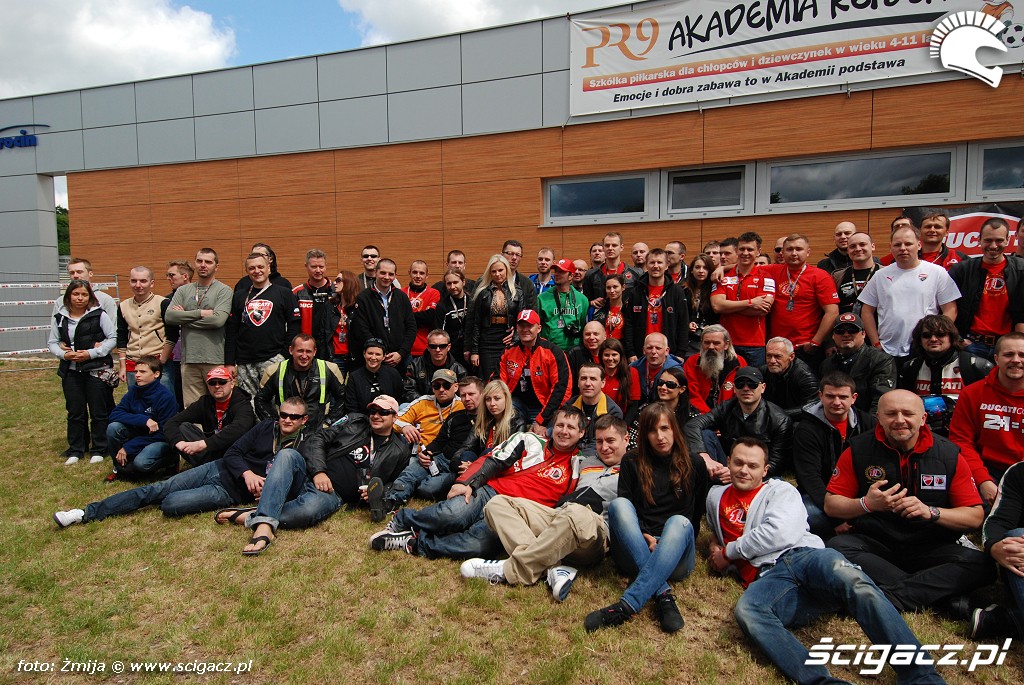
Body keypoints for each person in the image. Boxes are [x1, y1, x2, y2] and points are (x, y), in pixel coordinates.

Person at [706, 438, 946, 685]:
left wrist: (728, 553)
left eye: (753, 465)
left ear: (765, 470)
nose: (744, 470)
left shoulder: (781, 491)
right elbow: (718, 531)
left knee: (856, 584)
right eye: (738, 463)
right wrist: (716, 546)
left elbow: (778, 533)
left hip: (806, 556)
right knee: (748, 610)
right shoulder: (715, 497)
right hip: (770, 577)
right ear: (728, 462)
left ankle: (921, 675)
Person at [824, 390, 994, 614]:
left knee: (982, 564)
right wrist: (867, 504)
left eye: (908, 413)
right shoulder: (858, 449)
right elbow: (831, 505)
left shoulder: (949, 455)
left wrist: (932, 512)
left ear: (923, 418)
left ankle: (890, 597)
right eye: (891, 414)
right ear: (879, 417)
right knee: (835, 547)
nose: (899, 420)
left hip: (930, 546)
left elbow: (975, 516)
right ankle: (940, 598)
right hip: (877, 545)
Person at [54, 397, 312, 528]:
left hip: (226, 493)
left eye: (294, 417)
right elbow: (233, 452)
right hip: (217, 468)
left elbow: (295, 485)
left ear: (304, 420)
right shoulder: (265, 427)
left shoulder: (304, 446)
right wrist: (247, 474)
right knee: (156, 489)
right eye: (283, 414)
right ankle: (85, 513)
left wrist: (267, 490)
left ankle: (163, 497)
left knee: (171, 505)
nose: (287, 420)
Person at [368, 406, 586, 560]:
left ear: (582, 433)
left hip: (518, 514)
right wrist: (466, 482)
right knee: (451, 515)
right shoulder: (529, 440)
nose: (564, 431)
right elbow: (492, 460)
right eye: (560, 425)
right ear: (552, 427)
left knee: (478, 545)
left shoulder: (580, 465)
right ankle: (403, 519)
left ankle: (413, 542)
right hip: (491, 492)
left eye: (571, 427)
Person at [463, 414, 626, 600]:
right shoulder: (586, 462)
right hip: (560, 518)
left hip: (593, 533)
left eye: (610, 441)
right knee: (497, 504)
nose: (604, 447)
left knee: (577, 512)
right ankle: (553, 569)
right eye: (599, 441)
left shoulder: (634, 470)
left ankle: (511, 569)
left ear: (626, 439)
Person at [583, 403, 709, 633]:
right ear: (644, 435)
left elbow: (694, 515)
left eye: (665, 428)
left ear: (675, 429)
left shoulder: (695, 464)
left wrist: (666, 544)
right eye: (652, 430)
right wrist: (644, 535)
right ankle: (663, 593)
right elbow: (627, 510)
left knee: (679, 522)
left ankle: (627, 605)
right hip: (636, 547)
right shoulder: (631, 462)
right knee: (619, 505)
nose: (660, 436)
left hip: (676, 555)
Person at [792, 372, 876, 539]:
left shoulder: (868, 423)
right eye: (830, 396)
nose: (836, 402)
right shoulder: (806, 430)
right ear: (820, 396)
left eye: (843, 397)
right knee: (806, 514)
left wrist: (856, 509)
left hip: (859, 495)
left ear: (854, 398)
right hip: (822, 497)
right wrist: (837, 518)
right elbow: (809, 477)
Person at [859, 225, 960, 362]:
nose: (903, 248)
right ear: (891, 247)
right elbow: (866, 311)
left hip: (924, 350)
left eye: (908, 244)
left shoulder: (937, 272)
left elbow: (951, 309)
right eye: (897, 244)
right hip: (887, 350)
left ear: (919, 245)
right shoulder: (880, 275)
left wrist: (934, 337)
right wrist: (876, 343)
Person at [304, 395, 411, 523]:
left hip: (330, 493)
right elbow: (318, 438)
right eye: (373, 411)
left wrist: (378, 492)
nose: (376, 416)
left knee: (304, 512)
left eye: (383, 412)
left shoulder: (400, 450)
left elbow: (394, 482)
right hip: (310, 474)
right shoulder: (354, 421)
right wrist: (319, 471)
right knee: (287, 456)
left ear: (394, 417)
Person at [949, 332, 1024, 508]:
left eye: (1022, 355)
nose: (1016, 360)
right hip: (989, 471)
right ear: (996, 359)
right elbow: (961, 441)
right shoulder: (972, 393)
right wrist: (983, 481)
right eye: (1008, 354)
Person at [385, 377, 481, 511]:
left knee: (426, 488)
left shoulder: (488, 419)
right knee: (411, 472)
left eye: (471, 394)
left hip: (462, 465)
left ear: (482, 394)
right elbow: (439, 441)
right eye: (464, 395)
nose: (467, 398)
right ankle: (390, 500)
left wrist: (473, 465)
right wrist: (426, 453)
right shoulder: (455, 416)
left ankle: (413, 487)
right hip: (442, 458)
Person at [48, 279, 116, 465]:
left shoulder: (99, 315)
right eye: (76, 294)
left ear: (90, 297)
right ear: (69, 296)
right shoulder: (60, 317)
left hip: (96, 370)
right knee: (75, 412)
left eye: (84, 294)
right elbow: (52, 342)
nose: (80, 298)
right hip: (71, 372)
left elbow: (112, 338)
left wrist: (91, 353)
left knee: (98, 411)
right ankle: (76, 449)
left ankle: (100, 448)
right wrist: (64, 354)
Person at [685, 366, 792, 479]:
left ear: (763, 387)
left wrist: (738, 474)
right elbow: (693, 425)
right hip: (727, 467)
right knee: (706, 434)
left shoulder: (779, 419)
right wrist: (704, 456)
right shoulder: (725, 408)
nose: (746, 388)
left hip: (759, 473)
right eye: (740, 384)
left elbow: (776, 464)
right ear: (734, 388)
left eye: (752, 384)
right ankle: (712, 478)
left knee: (777, 481)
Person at [897, 314, 993, 438]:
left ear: (951, 337)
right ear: (919, 340)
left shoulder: (976, 365)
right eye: (926, 335)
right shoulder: (911, 367)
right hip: (923, 434)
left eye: (940, 334)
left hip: (966, 433)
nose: (933, 339)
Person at [224, 252, 301, 397]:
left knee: (276, 400)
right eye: (252, 268)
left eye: (260, 267)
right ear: (247, 271)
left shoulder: (284, 293)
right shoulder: (239, 296)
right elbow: (232, 330)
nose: (257, 271)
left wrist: (284, 354)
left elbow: (294, 326)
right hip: (245, 362)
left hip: (273, 358)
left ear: (268, 268)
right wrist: (229, 362)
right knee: (249, 402)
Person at [164, 248, 234, 407]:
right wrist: (200, 313)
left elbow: (218, 320)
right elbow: (169, 317)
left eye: (208, 262)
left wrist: (184, 318)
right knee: (192, 407)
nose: (203, 265)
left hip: (215, 359)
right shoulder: (183, 290)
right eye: (199, 261)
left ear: (216, 266)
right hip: (189, 360)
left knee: (219, 405)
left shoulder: (224, 290)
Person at [949, 218, 1024, 361]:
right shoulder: (962, 270)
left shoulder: (1021, 269)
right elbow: (946, 308)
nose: (993, 246)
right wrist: (958, 339)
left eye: (999, 240)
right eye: (988, 240)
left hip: (1008, 348)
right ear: (979, 240)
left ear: (1008, 240)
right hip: (971, 345)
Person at [761, 234, 839, 369]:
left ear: (808, 252)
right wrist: (723, 268)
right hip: (776, 347)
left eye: (799, 249)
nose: (794, 253)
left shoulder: (820, 276)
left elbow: (832, 312)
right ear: (782, 252)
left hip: (806, 347)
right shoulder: (772, 271)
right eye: (789, 249)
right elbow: (745, 268)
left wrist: (816, 342)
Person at [164, 366, 256, 466]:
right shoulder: (204, 402)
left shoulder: (242, 404)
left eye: (222, 382)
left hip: (237, 453)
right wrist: (179, 444)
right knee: (183, 427)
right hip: (212, 451)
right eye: (212, 383)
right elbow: (171, 422)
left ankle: (211, 467)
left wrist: (203, 444)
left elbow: (239, 429)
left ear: (232, 383)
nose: (217, 386)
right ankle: (208, 466)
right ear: (207, 385)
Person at [499, 310, 572, 435]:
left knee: (540, 439)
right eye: (522, 326)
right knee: (504, 429)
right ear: (517, 328)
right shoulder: (508, 352)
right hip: (517, 406)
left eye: (529, 326)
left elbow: (562, 389)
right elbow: (497, 383)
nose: (525, 329)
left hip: (544, 409)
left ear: (539, 328)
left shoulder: (553, 352)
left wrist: (542, 420)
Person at [973, 460, 1024, 639]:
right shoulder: (1019, 472)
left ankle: (1009, 620)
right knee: (1016, 539)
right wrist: (995, 547)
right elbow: (997, 523)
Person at [106, 356, 178, 480]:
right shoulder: (134, 391)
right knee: (113, 428)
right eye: (136, 371)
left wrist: (129, 447)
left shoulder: (166, 397)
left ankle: (171, 461)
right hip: (139, 434)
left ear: (156, 374)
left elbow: (164, 433)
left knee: (141, 463)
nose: (137, 375)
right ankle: (119, 468)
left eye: (143, 372)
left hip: (158, 439)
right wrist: (144, 420)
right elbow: (115, 414)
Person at [711, 232, 775, 367]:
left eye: (750, 249)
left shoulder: (766, 277)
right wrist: (750, 302)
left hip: (755, 344)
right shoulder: (722, 276)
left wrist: (729, 307)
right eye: (742, 249)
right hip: (726, 342)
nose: (745, 253)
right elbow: (717, 306)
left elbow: (763, 309)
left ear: (758, 252)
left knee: (754, 379)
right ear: (736, 250)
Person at [255, 334, 346, 427]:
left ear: (315, 352)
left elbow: (343, 398)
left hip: (318, 429)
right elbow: (260, 400)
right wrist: (274, 423)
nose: (304, 355)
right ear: (291, 350)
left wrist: (328, 422)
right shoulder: (274, 370)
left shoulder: (330, 369)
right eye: (300, 351)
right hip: (286, 428)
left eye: (308, 351)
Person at [819, 312, 896, 414]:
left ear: (863, 334)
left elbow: (881, 400)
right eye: (840, 331)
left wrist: (868, 423)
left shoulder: (881, 361)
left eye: (852, 330)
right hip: (835, 417)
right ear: (833, 336)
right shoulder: (827, 364)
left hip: (868, 419)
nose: (846, 334)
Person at [349, 257, 416, 374]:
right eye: (383, 273)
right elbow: (362, 329)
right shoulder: (363, 298)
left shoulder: (402, 297)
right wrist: (380, 353)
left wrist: (401, 352)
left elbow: (411, 327)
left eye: (391, 274)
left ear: (395, 276)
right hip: (375, 359)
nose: (386, 277)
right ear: (375, 272)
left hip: (401, 357)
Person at [115, 266, 177, 392]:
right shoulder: (123, 306)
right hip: (133, 364)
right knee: (137, 401)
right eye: (134, 281)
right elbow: (121, 336)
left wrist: (162, 360)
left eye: (143, 281)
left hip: (159, 363)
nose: (138, 285)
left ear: (151, 283)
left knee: (163, 401)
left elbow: (172, 333)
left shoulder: (163, 303)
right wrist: (122, 366)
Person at [622, 248, 689, 363]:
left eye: (659, 262)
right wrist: (630, 352)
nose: (656, 266)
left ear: (666, 266)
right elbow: (629, 324)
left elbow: (683, 323)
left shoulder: (677, 292)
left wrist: (681, 353)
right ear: (646, 265)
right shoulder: (636, 292)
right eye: (652, 262)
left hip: (670, 354)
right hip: (640, 353)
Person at [465, 254, 523, 380]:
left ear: (507, 270)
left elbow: (521, 319)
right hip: (487, 341)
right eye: (493, 271)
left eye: (500, 270)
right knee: (489, 379)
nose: (497, 274)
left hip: (507, 340)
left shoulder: (517, 291)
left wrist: (515, 337)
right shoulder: (482, 292)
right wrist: (474, 351)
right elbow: (476, 322)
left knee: (508, 379)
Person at [682, 325, 746, 415]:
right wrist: (709, 417)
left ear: (726, 345)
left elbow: (742, 395)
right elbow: (692, 395)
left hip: (730, 414)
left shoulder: (739, 363)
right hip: (700, 414)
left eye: (716, 343)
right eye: (707, 343)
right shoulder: (692, 362)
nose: (711, 347)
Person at [881, 211, 965, 270]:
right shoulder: (899, 258)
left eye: (937, 227)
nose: (932, 230)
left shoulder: (960, 259)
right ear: (920, 230)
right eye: (928, 227)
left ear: (946, 232)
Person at [537, 258, 589, 352]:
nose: (556, 274)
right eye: (556, 271)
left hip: (574, 351)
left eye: (561, 272)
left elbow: (582, 325)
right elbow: (538, 327)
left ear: (570, 276)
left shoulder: (582, 300)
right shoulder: (542, 298)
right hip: (549, 350)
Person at [568, 363, 623, 450]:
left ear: (603, 383)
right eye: (583, 378)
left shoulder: (613, 411)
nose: (587, 383)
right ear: (578, 382)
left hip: (597, 454)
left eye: (593, 379)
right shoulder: (569, 406)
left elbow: (601, 444)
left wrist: (581, 457)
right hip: (570, 452)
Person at [761, 337, 818, 420]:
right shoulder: (763, 371)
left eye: (777, 356)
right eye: (769, 356)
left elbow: (811, 408)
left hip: (799, 421)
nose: (772, 361)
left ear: (791, 356)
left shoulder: (806, 376)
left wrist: (777, 414)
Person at [343, 338, 405, 415]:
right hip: (363, 418)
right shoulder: (354, 377)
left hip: (389, 416)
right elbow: (351, 407)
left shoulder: (393, 374)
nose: (373, 357)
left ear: (384, 356)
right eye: (370, 353)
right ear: (364, 354)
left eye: (378, 354)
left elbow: (401, 398)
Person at [404, 329, 468, 400]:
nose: (438, 350)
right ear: (428, 347)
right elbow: (408, 390)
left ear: (449, 347)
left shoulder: (459, 370)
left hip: (449, 405)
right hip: (421, 404)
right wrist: (426, 402)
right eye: (433, 346)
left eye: (442, 346)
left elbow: (462, 395)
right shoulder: (415, 365)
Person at [583, 232, 642, 309]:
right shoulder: (591, 275)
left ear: (621, 247)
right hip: (601, 314)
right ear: (603, 248)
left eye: (614, 245)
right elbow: (584, 301)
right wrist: (591, 302)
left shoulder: (636, 273)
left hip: (627, 315)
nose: (610, 248)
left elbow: (641, 300)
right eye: (607, 245)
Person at [292, 249, 333, 359]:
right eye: (314, 267)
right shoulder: (296, 293)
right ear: (306, 266)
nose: (318, 270)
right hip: (306, 349)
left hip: (331, 348)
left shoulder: (336, 291)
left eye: (321, 266)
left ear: (326, 266)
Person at [164, 259, 194, 409]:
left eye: (172, 275)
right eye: (167, 275)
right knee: (177, 396)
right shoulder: (167, 300)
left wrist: (184, 315)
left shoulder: (199, 297)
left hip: (196, 355)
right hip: (174, 357)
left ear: (185, 276)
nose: (168, 279)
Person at [831, 231, 880, 316]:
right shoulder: (837, 276)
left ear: (873, 247)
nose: (858, 249)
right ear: (848, 250)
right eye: (852, 246)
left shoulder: (885, 273)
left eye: (862, 244)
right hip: (845, 323)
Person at [402, 260, 441, 358]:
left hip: (424, 348)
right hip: (403, 348)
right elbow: (395, 319)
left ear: (427, 275)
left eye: (422, 273)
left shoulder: (433, 293)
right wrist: (420, 316)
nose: (418, 276)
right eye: (415, 272)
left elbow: (429, 317)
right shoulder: (400, 293)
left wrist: (405, 317)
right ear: (409, 273)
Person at [321, 270, 360, 370]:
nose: (334, 283)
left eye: (338, 280)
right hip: (334, 357)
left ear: (349, 282)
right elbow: (323, 332)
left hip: (354, 357)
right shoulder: (330, 305)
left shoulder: (358, 307)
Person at [629, 332, 683, 404]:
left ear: (667, 351)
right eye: (649, 348)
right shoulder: (633, 368)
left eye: (658, 348)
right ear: (644, 350)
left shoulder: (676, 371)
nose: (653, 352)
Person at [435, 268, 472, 367]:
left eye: (455, 282)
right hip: (452, 354)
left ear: (463, 282)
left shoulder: (473, 301)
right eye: (449, 283)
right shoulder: (442, 306)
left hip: (472, 351)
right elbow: (439, 333)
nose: (452, 286)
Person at [599, 338, 640, 423]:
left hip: (621, 421)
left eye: (614, 355)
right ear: (601, 356)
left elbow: (634, 405)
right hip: (598, 421)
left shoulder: (631, 373)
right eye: (606, 355)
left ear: (621, 356)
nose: (610, 358)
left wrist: (623, 426)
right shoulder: (596, 372)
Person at [682, 254, 717, 357]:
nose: (701, 271)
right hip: (687, 339)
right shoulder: (682, 289)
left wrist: (711, 326)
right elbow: (678, 314)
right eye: (697, 267)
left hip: (710, 336)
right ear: (691, 270)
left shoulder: (715, 289)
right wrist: (687, 324)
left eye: (705, 268)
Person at [499, 239, 537, 312]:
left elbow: (532, 313)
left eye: (518, 255)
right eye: (510, 253)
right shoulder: (486, 281)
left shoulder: (527, 284)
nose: (514, 258)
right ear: (502, 255)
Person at [653, 366, 696, 430]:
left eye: (670, 384)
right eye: (660, 382)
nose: (663, 387)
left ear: (682, 389)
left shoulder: (692, 416)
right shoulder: (647, 411)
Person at [590, 273, 625, 341]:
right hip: (603, 345)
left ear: (623, 287)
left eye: (615, 287)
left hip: (622, 345)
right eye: (608, 288)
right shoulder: (598, 307)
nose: (612, 291)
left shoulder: (628, 308)